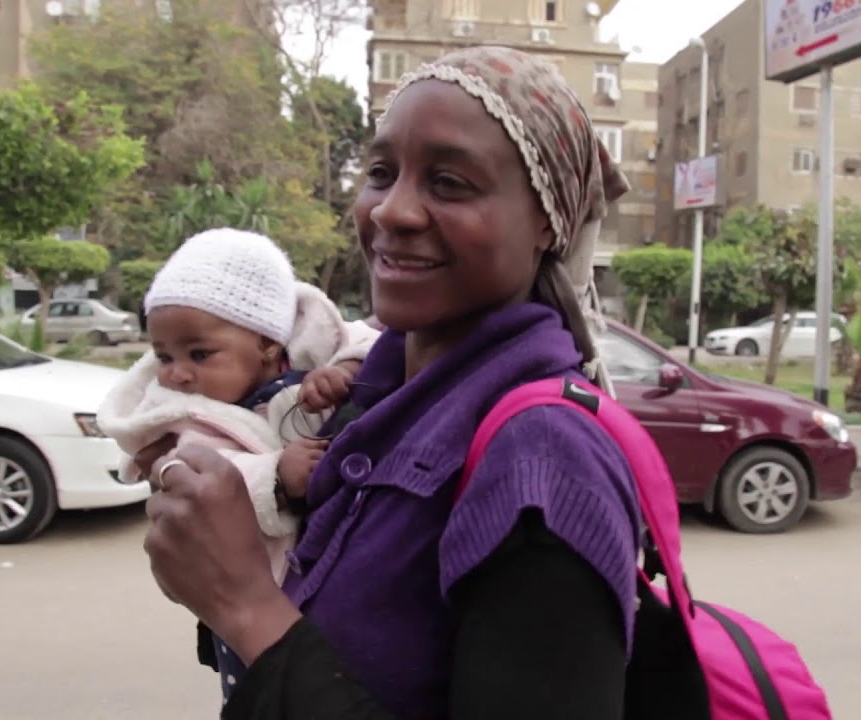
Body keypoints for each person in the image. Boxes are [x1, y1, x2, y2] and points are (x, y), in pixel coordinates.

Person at [138, 46, 647, 719]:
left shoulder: (544, 461)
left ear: (547, 222)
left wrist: (244, 604)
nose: (391, 211)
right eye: (380, 173)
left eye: (450, 182)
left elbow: (273, 630)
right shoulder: (358, 399)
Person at [96, 228, 378, 695]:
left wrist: (343, 370)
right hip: (254, 582)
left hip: (326, 583)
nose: (177, 373)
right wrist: (274, 477)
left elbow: (372, 341)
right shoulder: (182, 414)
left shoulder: (316, 354)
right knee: (260, 685)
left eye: (199, 354)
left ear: (267, 343)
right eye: (163, 355)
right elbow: (193, 476)